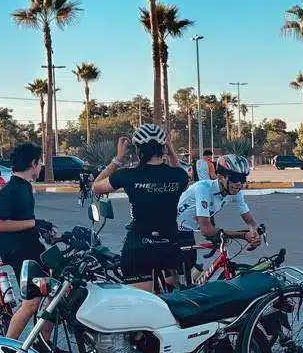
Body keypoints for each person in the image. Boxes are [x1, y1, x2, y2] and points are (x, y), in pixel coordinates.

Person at [93, 125, 189, 292]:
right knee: (173, 302)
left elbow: (96, 186)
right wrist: (171, 151)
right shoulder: (178, 176)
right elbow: (181, 173)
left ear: (138, 149)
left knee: (141, 304)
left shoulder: (127, 175)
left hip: (139, 247)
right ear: (163, 147)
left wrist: (118, 158)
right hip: (169, 245)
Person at [0, 143, 54, 342]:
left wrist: (41, 229)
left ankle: (44, 342)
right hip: (16, 248)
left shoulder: (25, 187)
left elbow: (26, 221)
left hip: (29, 245)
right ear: (33, 163)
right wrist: (33, 223)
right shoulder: (10, 190)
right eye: (40, 162)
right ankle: (6, 349)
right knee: (32, 302)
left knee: (56, 288)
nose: (41, 166)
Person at [176, 155, 261, 279]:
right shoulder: (203, 189)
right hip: (170, 230)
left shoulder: (234, 190)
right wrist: (243, 235)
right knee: (176, 281)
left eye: (243, 178)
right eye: (235, 178)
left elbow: (250, 221)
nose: (239, 184)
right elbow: (207, 230)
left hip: (187, 231)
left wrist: (254, 232)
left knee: (190, 277)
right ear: (221, 177)